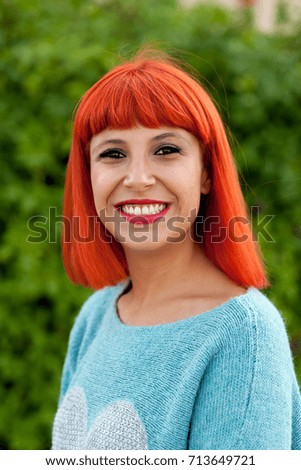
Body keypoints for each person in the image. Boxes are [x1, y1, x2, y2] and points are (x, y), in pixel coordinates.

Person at [52, 49, 301, 450]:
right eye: (113, 154)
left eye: (166, 150)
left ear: (205, 172)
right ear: (88, 175)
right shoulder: (96, 315)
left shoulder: (244, 335)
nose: (137, 179)